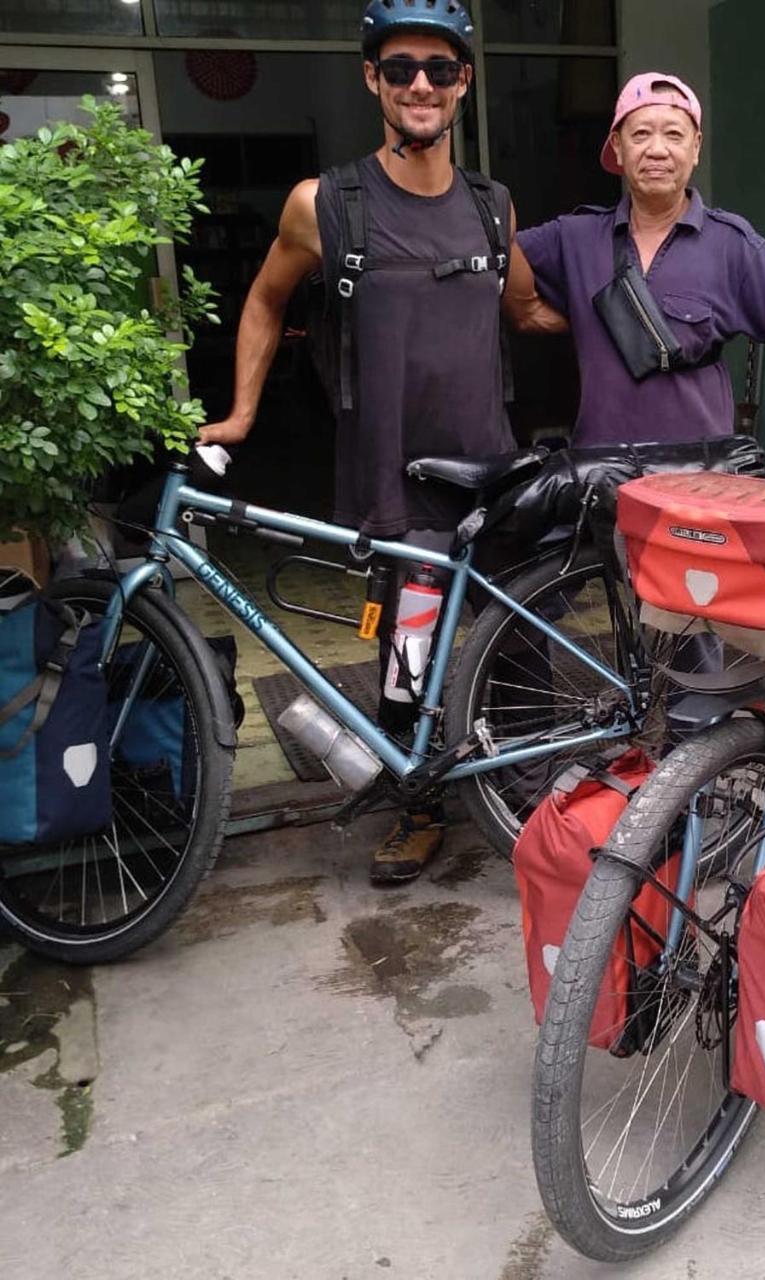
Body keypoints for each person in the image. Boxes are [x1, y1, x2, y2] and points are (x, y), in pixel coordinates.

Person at [199, 0, 556, 885]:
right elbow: (264, 300)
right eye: (400, 69)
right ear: (373, 80)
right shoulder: (326, 204)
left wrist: (640, 334)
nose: (421, 85)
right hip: (393, 477)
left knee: (523, 647)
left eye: (439, 69)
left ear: (463, 82)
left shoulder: (492, 205)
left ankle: (545, 803)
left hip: (490, 469)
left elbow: (529, 307)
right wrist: (242, 413)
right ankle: (420, 807)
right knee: (410, 649)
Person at [508, 71, 765, 447]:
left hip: (698, 487)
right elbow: (499, 250)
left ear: (696, 148)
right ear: (617, 146)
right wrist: (529, 310)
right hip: (603, 481)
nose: (657, 150)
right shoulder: (575, 238)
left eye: (674, 135)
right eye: (641, 134)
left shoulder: (732, 245)